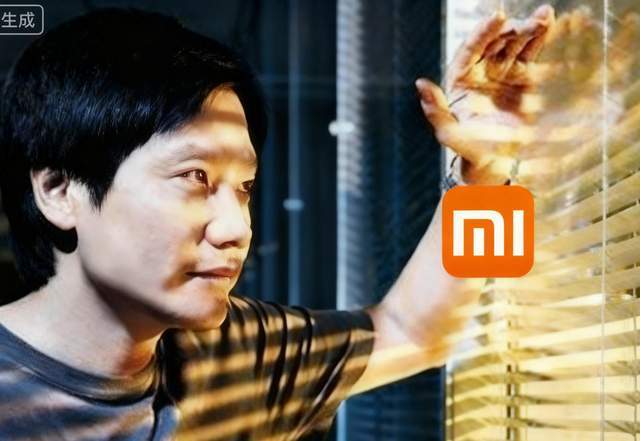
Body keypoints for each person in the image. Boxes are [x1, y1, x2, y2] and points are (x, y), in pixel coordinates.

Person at [0, 5, 555, 441]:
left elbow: (419, 333)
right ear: (59, 191)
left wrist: (488, 178)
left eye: (244, 187)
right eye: (194, 177)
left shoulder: (236, 354)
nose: (236, 228)